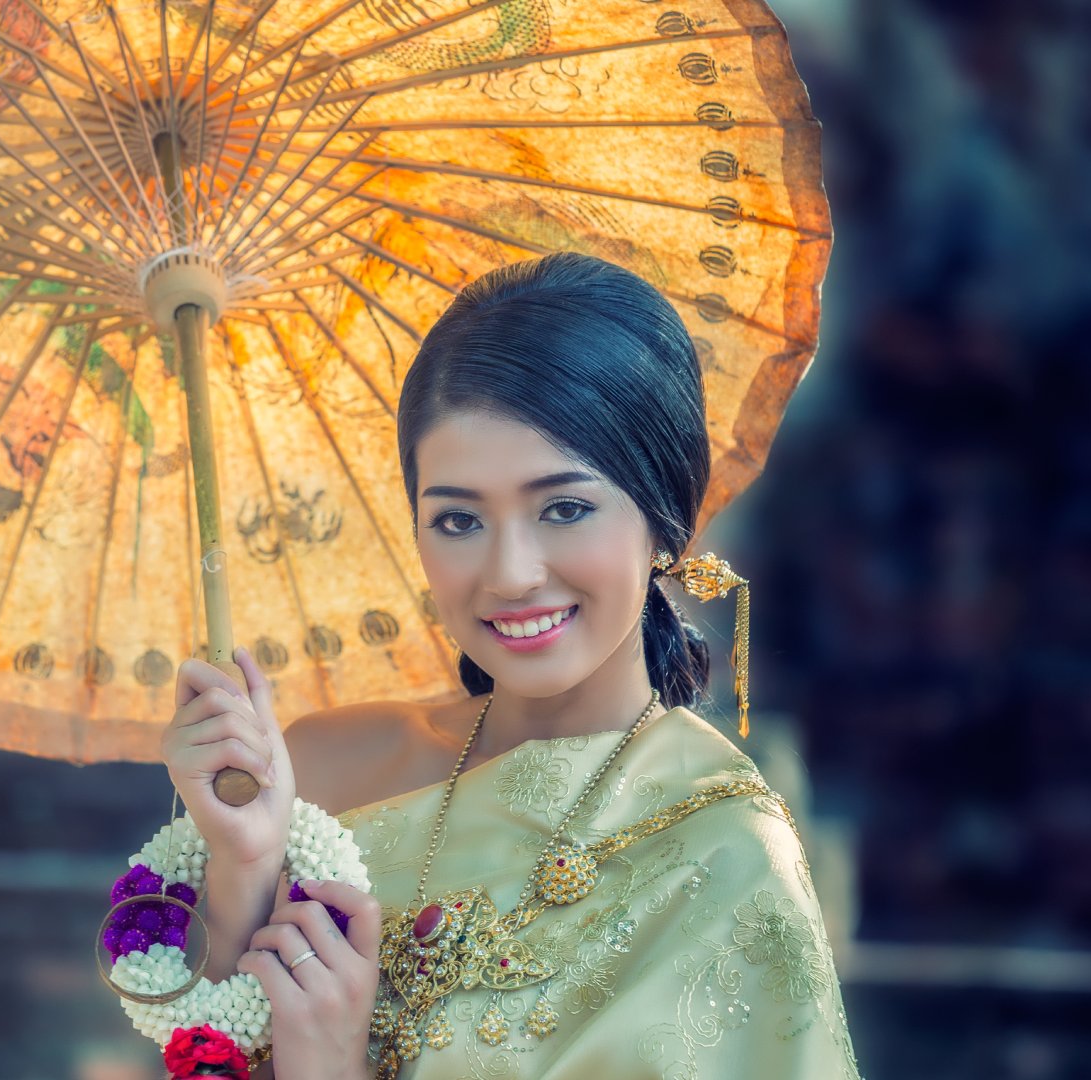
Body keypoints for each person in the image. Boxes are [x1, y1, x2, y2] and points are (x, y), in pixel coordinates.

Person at [160, 253, 863, 1078]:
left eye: (564, 508)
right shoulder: (315, 774)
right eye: (458, 520)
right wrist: (244, 865)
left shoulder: (721, 856)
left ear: (668, 520)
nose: (510, 573)